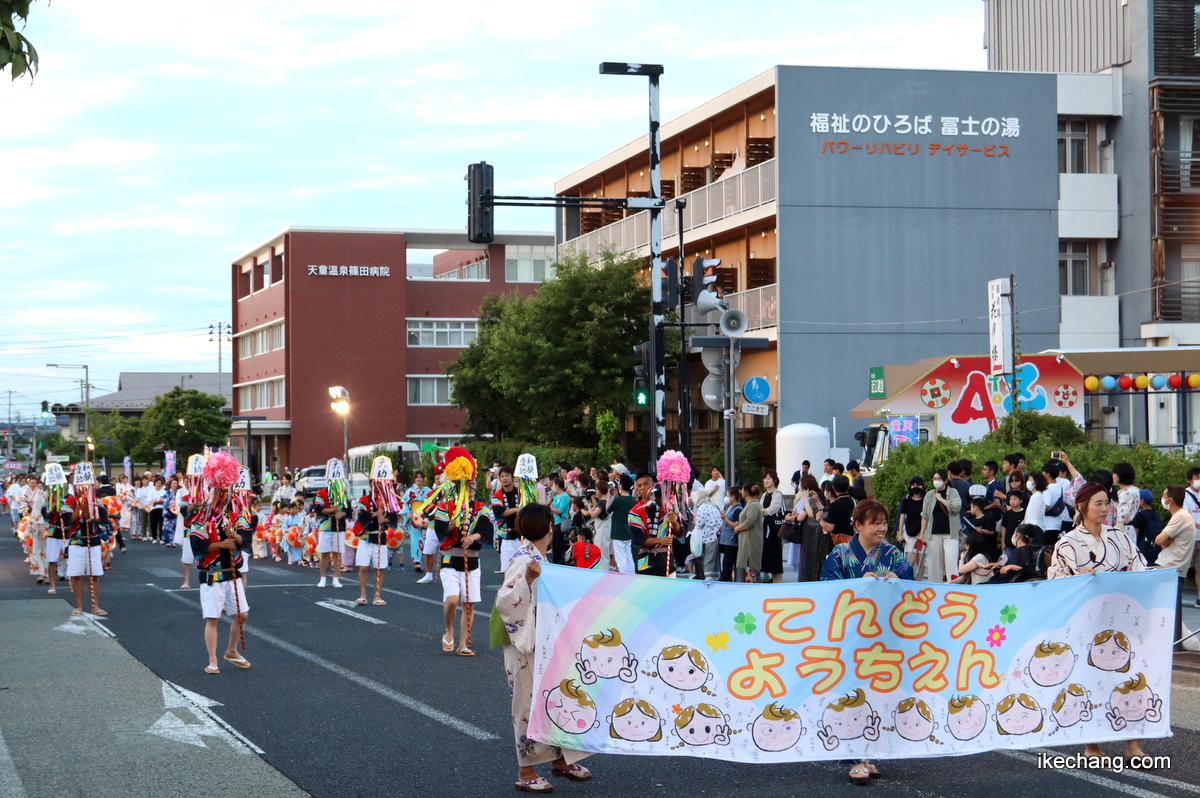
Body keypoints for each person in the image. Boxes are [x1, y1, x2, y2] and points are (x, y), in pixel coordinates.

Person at [1047, 481, 1148, 762]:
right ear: (1082, 507)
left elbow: (1139, 569)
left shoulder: (1120, 536)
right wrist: (1079, 577)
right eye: (1099, 504)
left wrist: (1160, 573)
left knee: (1129, 678)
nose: (1105, 509)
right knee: (1091, 681)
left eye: (1107, 503)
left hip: (1121, 620)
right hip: (1087, 622)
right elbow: (1054, 579)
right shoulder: (1067, 542)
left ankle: (1133, 744)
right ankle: (1092, 745)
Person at [496, 504, 592, 791]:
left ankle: (561, 760)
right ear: (549, 526)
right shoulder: (524, 560)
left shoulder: (535, 556)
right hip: (525, 643)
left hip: (544, 640)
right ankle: (526, 772)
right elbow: (505, 601)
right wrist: (526, 579)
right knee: (526, 704)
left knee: (557, 698)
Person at [820, 499, 913, 784]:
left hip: (882, 636)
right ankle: (853, 757)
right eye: (875, 523)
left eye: (884, 522)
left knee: (875, 695)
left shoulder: (893, 554)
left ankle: (867, 753)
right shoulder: (840, 553)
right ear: (857, 525)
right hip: (850, 636)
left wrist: (899, 580)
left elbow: (912, 587)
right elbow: (826, 588)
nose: (882, 528)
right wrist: (858, 583)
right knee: (850, 694)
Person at [1156, 485, 1196, 650]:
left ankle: (1191, 643)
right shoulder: (1184, 517)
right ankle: (1187, 642)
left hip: (1169, 566)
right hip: (1173, 566)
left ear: (1170, 500)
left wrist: (1165, 540)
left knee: (1162, 608)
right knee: (1167, 609)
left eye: (1164, 496)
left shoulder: (1180, 517)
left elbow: (1159, 540)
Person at [918, 469, 960, 583]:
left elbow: (956, 508)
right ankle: (935, 586)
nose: (936, 481)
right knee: (934, 563)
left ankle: (953, 585)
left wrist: (941, 499)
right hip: (933, 533)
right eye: (934, 479)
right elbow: (924, 515)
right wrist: (922, 534)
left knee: (951, 559)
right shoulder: (930, 494)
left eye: (939, 479)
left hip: (950, 533)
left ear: (945, 480)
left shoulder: (953, 493)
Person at [631, 473, 676, 577]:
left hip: (666, 561)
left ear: (653, 485)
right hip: (645, 563)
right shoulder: (634, 512)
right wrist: (661, 541)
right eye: (639, 486)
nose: (643, 488)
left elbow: (678, 533)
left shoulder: (667, 507)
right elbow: (638, 539)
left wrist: (675, 522)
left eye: (646, 484)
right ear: (636, 488)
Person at [354, 491, 392, 606]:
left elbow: (393, 516)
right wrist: (374, 514)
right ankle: (363, 594)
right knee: (364, 567)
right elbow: (361, 514)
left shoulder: (388, 501)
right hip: (366, 537)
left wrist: (385, 520)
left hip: (380, 536)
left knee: (379, 568)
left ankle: (377, 596)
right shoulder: (364, 500)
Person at [314, 480, 349, 589]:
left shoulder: (343, 493)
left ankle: (336, 579)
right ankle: (323, 578)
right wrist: (331, 510)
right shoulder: (321, 493)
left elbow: (348, 510)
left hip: (339, 527)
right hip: (325, 526)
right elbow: (318, 509)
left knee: (337, 554)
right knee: (324, 553)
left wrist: (341, 514)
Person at [606, 474, 639, 574]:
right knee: (629, 557)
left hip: (617, 532)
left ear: (620, 485)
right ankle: (631, 576)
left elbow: (607, 510)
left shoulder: (618, 500)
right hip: (628, 531)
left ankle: (623, 578)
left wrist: (609, 496)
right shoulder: (632, 500)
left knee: (620, 559)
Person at [492, 466, 522, 574]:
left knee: (522, 568)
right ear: (499, 479)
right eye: (502, 476)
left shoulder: (521, 492)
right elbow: (500, 512)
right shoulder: (497, 495)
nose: (505, 478)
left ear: (512, 478)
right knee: (507, 569)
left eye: (507, 476)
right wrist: (517, 509)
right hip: (506, 536)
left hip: (521, 535)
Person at [733, 483, 764, 583]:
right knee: (750, 568)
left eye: (742, 490)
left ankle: (755, 588)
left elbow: (750, 521)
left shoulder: (753, 505)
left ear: (746, 492)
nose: (741, 492)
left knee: (753, 567)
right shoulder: (750, 504)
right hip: (747, 538)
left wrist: (738, 528)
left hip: (751, 539)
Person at [896, 476, 925, 576]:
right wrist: (899, 533)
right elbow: (902, 517)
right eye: (913, 485)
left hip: (922, 532)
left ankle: (919, 582)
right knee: (911, 560)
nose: (915, 487)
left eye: (918, 485)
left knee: (920, 560)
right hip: (909, 531)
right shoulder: (906, 500)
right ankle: (909, 578)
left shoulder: (925, 500)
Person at [690, 486, 721, 581]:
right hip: (716, 537)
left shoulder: (702, 507)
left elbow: (699, 523)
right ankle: (715, 580)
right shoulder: (713, 506)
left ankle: (709, 581)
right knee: (715, 561)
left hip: (709, 538)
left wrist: (695, 521)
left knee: (708, 561)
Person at [760, 470, 785, 583]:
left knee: (776, 564)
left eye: (769, 478)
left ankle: (778, 587)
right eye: (765, 478)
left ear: (775, 480)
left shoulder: (777, 494)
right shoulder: (764, 495)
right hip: (765, 531)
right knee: (767, 562)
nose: (766, 480)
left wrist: (760, 511)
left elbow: (771, 510)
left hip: (775, 532)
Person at [1130, 488, 1164, 566]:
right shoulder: (1156, 514)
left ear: (1142, 501)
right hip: (1156, 550)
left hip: (1143, 550)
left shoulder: (1140, 515)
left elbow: (1134, 534)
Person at [717, 486, 741, 582]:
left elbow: (736, 525)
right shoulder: (730, 507)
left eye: (728, 496)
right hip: (726, 540)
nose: (726, 498)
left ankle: (724, 581)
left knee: (728, 564)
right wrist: (722, 525)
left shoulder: (738, 509)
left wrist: (725, 519)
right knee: (725, 563)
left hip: (732, 542)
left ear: (733, 497)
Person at [1111, 462, 1141, 536]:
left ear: (1120, 475)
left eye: (1114, 473)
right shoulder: (1124, 491)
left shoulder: (1129, 493)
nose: (1112, 476)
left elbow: (1121, 515)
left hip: (1123, 529)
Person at [1001, 491, 1026, 561]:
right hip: (1009, 543)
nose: (1012, 501)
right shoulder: (1007, 514)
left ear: (1020, 501)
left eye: (1015, 499)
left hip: (1021, 543)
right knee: (1007, 561)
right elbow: (1004, 528)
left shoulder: (1024, 513)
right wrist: (1003, 542)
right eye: (1011, 499)